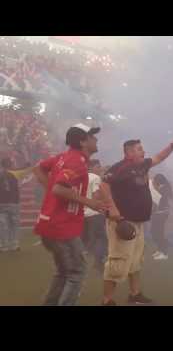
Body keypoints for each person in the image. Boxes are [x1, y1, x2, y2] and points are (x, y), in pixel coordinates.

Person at [100, 136, 173, 306]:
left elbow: (159, 157)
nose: (143, 151)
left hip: (138, 222)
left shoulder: (142, 165)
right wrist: (113, 209)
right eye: (139, 149)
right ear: (129, 152)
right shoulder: (120, 168)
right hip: (122, 222)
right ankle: (107, 300)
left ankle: (135, 294)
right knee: (118, 260)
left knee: (136, 260)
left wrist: (172, 145)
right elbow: (104, 185)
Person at [32, 123, 107, 306]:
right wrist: (91, 202)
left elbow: (38, 169)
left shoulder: (64, 157)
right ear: (82, 141)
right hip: (62, 226)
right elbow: (58, 188)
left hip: (50, 224)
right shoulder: (77, 161)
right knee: (77, 272)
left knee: (64, 272)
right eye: (92, 136)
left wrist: (51, 190)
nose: (96, 139)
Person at [81, 158, 107, 273]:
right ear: (91, 167)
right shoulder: (95, 178)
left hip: (83, 213)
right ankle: (98, 263)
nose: (100, 168)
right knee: (100, 239)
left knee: (89, 240)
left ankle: (81, 265)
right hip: (95, 213)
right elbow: (96, 195)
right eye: (98, 166)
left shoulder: (82, 177)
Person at [150, 173, 173, 261]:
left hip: (161, 213)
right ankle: (160, 250)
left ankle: (164, 253)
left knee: (158, 232)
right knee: (155, 232)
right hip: (160, 213)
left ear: (158, 181)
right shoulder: (163, 188)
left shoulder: (163, 189)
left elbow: (159, 201)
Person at [0, 158, 20, 252]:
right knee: (14, 224)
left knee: (3, 225)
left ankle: (4, 245)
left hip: (2, 203)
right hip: (13, 202)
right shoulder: (15, 174)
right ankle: (14, 244)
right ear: (10, 165)